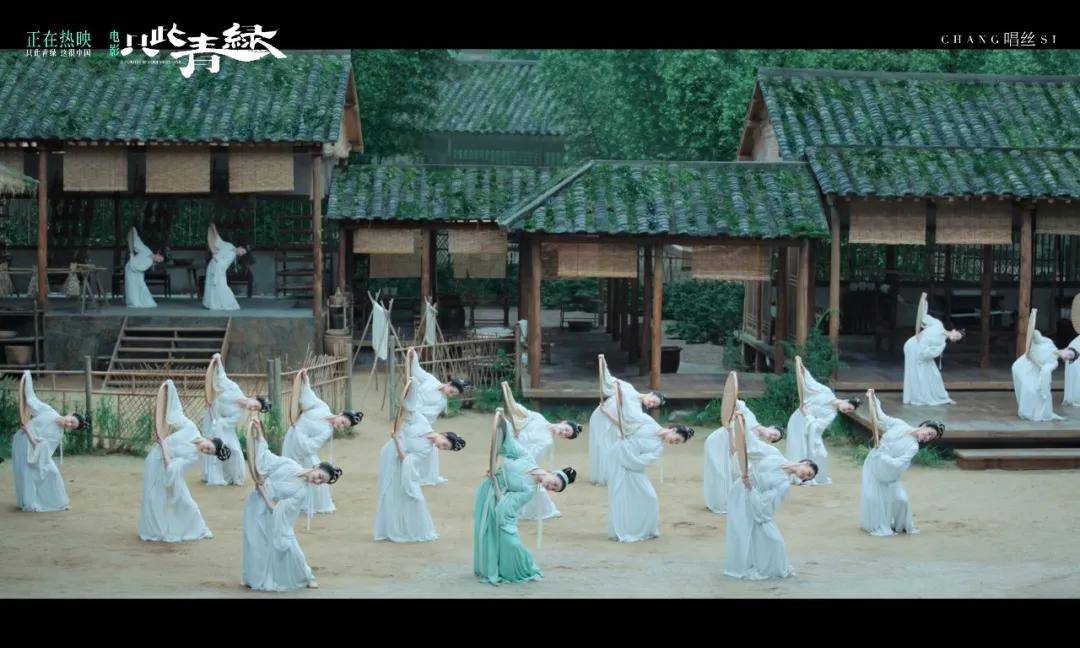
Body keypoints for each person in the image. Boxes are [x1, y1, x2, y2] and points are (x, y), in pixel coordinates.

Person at [474, 410, 577, 585]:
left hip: (494, 499)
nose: (550, 487)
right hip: (486, 491)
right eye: (554, 483)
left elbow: (505, 506)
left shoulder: (529, 491)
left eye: (554, 489)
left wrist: (496, 479)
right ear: (552, 473)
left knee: (511, 543)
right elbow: (509, 443)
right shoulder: (527, 458)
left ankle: (524, 567)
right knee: (487, 536)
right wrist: (503, 423)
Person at [242, 419, 342, 591]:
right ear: (316, 466)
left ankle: (306, 575)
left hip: (270, 510)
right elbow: (267, 459)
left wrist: (264, 492)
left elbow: (277, 510)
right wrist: (259, 437)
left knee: (288, 546)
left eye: (321, 482)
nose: (317, 481)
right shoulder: (290, 464)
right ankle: (253, 577)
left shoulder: (302, 492)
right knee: (253, 542)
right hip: (255, 504)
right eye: (319, 476)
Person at [374, 377, 466, 542]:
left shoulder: (426, 451)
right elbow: (410, 409)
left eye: (445, 449)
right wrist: (413, 385)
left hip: (398, 461)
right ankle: (389, 529)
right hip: (389, 453)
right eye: (444, 444)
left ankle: (406, 529)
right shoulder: (423, 422)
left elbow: (405, 460)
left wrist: (397, 439)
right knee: (386, 492)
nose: (441, 447)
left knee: (404, 497)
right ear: (444, 435)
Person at [724, 418, 817, 580]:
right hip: (740, 491)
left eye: (807, 478)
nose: (805, 476)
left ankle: (760, 564)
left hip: (751, 496)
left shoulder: (784, 484)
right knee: (740, 530)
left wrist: (751, 488)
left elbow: (765, 508)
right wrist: (740, 423)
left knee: (773, 540)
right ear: (806, 462)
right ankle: (743, 563)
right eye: (808, 472)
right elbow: (751, 445)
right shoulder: (775, 454)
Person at [139, 380, 230, 542]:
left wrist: (163, 444)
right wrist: (170, 389)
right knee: (153, 498)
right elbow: (175, 414)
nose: (206, 450)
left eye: (209, 453)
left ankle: (200, 529)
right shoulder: (191, 428)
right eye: (209, 448)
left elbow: (171, 467)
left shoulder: (194, 457)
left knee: (187, 502)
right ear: (209, 439)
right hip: (155, 460)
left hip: (167, 465)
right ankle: (154, 529)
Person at [602, 378, 692, 542]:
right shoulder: (648, 421)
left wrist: (628, 453)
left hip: (633, 467)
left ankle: (646, 529)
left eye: (677, 443)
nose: (674, 443)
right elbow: (625, 422)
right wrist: (609, 411)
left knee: (649, 497)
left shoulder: (658, 448)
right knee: (619, 496)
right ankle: (621, 529)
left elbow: (642, 462)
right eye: (676, 439)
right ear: (673, 429)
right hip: (618, 459)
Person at [859, 391, 944, 536]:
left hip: (890, 473)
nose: (927, 438)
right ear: (924, 425)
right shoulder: (900, 425)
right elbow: (881, 417)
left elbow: (898, 464)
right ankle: (876, 524)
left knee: (901, 500)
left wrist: (883, 456)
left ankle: (900, 525)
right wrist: (873, 399)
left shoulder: (913, 447)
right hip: (875, 465)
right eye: (929, 433)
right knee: (873, 499)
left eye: (931, 438)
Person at [281, 369, 362, 516]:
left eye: (344, 427)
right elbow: (309, 398)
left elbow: (311, 446)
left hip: (301, 444)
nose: (341, 426)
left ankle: (308, 502)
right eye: (343, 422)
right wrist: (305, 381)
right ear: (341, 414)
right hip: (291, 438)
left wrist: (299, 432)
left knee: (313, 471)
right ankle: (289, 498)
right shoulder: (324, 408)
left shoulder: (327, 431)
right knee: (289, 468)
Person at [501, 381, 581, 520]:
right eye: (566, 430)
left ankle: (543, 509)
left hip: (519, 459)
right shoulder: (539, 418)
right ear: (563, 422)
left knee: (535, 488)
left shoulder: (547, 441)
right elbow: (521, 411)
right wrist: (509, 394)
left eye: (566, 435)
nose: (563, 433)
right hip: (512, 447)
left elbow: (530, 456)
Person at [11, 371, 86, 512]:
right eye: (71, 421)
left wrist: (29, 432)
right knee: (26, 473)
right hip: (23, 441)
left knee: (53, 473)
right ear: (70, 414)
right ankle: (27, 501)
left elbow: (42, 447)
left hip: (34, 448)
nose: (69, 424)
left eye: (72, 426)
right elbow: (32, 400)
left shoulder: (58, 434)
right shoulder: (50, 412)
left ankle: (59, 503)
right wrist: (28, 377)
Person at [588, 354, 664, 486]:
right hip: (600, 416)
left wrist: (607, 413)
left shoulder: (637, 411)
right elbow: (608, 381)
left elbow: (624, 425)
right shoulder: (629, 388)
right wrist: (603, 362)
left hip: (610, 420)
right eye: (653, 401)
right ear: (650, 394)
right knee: (600, 444)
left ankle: (607, 476)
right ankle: (602, 475)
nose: (650, 404)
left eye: (653, 405)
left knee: (608, 446)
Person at [402, 347, 472, 486]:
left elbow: (428, 415)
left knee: (430, 449)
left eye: (453, 395)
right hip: (411, 408)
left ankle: (426, 475)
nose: (450, 395)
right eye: (451, 391)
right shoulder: (431, 380)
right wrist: (413, 355)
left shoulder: (441, 402)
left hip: (419, 419)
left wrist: (417, 417)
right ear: (449, 383)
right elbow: (417, 370)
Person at [703, 399, 784, 514]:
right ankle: (718, 503)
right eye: (774, 434)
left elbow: (734, 450)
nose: (772, 436)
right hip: (716, 440)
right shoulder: (752, 418)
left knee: (721, 474)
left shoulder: (755, 443)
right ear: (771, 426)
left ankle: (717, 502)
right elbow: (736, 401)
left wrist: (731, 430)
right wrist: (734, 415)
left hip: (727, 446)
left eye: (773, 439)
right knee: (718, 471)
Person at [784, 362, 859, 486]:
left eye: (849, 411)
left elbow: (819, 426)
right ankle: (795, 473)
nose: (846, 410)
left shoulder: (832, 414)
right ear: (846, 401)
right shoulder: (826, 392)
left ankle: (807, 475)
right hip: (798, 419)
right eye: (848, 407)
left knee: (821, 454)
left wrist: (808, 415)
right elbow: (811, 383)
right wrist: (802, 368)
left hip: (808, 422)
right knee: (798, 447)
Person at [201, 353, 269, 486]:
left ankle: (232, 475)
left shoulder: (239, 414)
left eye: (255, 409)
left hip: (222, 425)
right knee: (212, 444)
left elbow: (226, 424)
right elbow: (223, 378)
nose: (252, 408)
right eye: (255, 405)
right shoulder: (235, 390)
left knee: (235, 451)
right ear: (253, 398)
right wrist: (218, 361)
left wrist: (218, 426)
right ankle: (211, 473)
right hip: (212, 416)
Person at [903, 295, 963, 405]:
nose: (955, 338)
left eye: (956, 339)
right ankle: (916, 396)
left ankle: (942, 397)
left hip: (921, 353)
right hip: (913, 345)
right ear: (954, 330)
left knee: (934, 375)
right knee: (918, 373)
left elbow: (930, 353)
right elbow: (924, 317)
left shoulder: (942, 343)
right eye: (957, 335)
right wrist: (924, 302)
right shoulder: (938, 324)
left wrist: (924, 352)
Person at [1012, 327, 1077, 421]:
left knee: (1031, 391)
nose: (1067, 356)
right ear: (1066, 349)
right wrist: (1033, 334)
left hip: (1031, 370)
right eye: (1069, 354)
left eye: (1069, 358)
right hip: (1022, 364)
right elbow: (1037, 336)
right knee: (1029, 389)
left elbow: (1045, 372)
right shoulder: (1049, 343)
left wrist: (1044, 390)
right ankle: (1029, 411)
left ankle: (1031, 412)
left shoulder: (1054, 362)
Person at [203, 224, 246, 311]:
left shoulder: (232, 256)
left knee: (221, 286)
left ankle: (224, 303)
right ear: (240, 247)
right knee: (210, 285)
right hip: (213, 265)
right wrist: (214, 230)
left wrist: (216, 258)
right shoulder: (230, 245)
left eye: (242, 254)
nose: (241, 254)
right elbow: (220, 242)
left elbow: (224, 264)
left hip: (219, 269)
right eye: (242, 251)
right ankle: (210, 303)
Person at [124, 227, 163, 308]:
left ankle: (137, 302)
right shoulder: (147, 250)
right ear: (158, 254)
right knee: (131, 285)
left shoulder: (150, 262)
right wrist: (134, 233)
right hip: (130, 267)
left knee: (139, 286)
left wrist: (133, 259)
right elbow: (138, 244)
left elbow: (140, 268)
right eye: (159, 258)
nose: (158, 260)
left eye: (159, 261)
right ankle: (133, 302)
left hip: (136, 271)